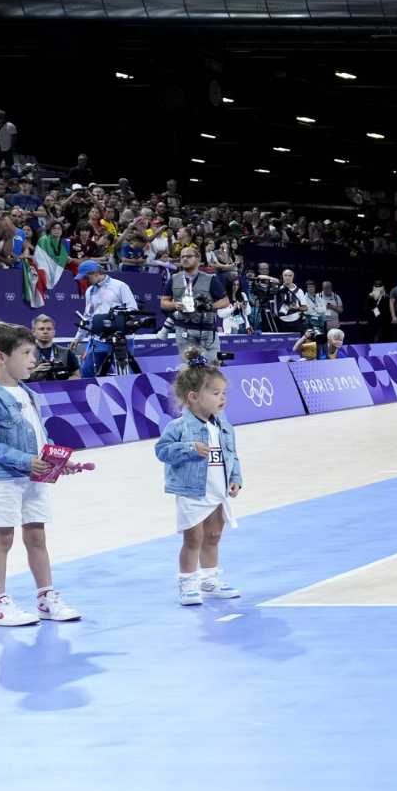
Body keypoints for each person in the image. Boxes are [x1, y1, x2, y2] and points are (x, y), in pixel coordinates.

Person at [0, 322, 81, 626]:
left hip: (34, 478)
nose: (34, 358)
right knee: (3, 538)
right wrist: (24, 460)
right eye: (26, 352)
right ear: (0, 357)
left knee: (36, 535)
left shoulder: (27, 393)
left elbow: (39, 435)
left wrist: (60, 460)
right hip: (3, 480)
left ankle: (46, 597)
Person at [154, 364, 244, 606]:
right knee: (193, 539)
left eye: (224, 393)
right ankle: (187, 582)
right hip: (192, 492)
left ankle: (209, 579)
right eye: (215, 393)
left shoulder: (224, 426)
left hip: (217, 492)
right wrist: (188, 448)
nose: (222, 398)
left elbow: (232, 454)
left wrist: (236, 478)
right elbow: (161, 451)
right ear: (193, 397)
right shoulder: (179, 427)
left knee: (213, 536)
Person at [161, 245, 229, 358]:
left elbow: (225, 301)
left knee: (211, 366)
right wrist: (174, 305)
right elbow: (163, 303)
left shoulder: (210, 278)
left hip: (206, 329)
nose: (184, 259)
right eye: (182, 257)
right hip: (183, 330)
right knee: (188, 369)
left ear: (198, 259)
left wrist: (210, 306)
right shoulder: (174, 278)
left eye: (188, 256)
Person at [77, 259, 138, 378]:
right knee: (87, 372)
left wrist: (114, 318)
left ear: (95, 273)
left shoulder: (120, 286)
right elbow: (87, 316)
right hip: (99, 340)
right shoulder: (89, 291)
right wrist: (78, 338)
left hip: (121, 339)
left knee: (126, 376)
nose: (85, 280)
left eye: (86, 277)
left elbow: (133, 309)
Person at [28, 313, 80, 382]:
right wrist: (35, 372)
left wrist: (64, 379)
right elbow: (19, 379)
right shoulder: (26, 354)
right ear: (33, 332)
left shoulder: (66, 352)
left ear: (54, 332)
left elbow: (77, 377)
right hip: (35, 391)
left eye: (49, 329)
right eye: (41, 329)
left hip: (60, 391)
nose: (45, 332)